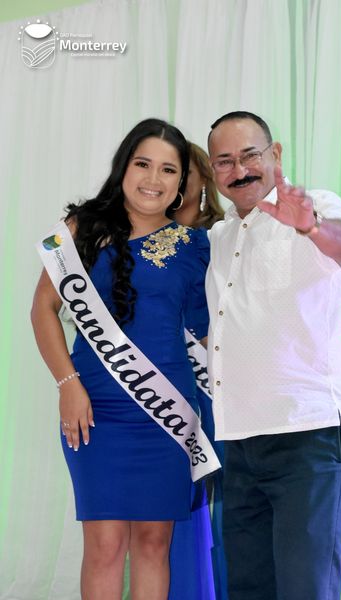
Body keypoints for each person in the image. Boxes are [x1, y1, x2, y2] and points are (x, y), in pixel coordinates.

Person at [31, 118, 216, 600]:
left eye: (168, 170)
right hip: (94, 410)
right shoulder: (80, 227)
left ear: (181, 181)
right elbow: (43, 309)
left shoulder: (194, 245)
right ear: (123, 167)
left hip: (167, 412)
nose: (153, 179)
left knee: (154, 543)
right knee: (105, 545)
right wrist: (68, 384)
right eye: (143, 164)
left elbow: (206, 333)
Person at [205, 111, 341, 600]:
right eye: (224, 161)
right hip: (239, 441)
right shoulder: (219, 236)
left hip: (310, 434)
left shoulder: (317, 206)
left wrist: (310, 226)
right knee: (248, 588)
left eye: (250, 155)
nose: (239, 170)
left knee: (305, 588)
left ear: (275, 154)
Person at [175, 141, 228, 600]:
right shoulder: (136, 241)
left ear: (203, 180)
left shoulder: (222, 238)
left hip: (218, 389)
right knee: (176, 505)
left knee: (229, 507)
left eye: (180, 170)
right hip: (165, 391)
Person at [175, 141, 224, 230]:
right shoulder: (151, 229)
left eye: (186, 172)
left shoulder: (222, 230)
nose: (177, 180)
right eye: (170, 171)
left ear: (204, 178)